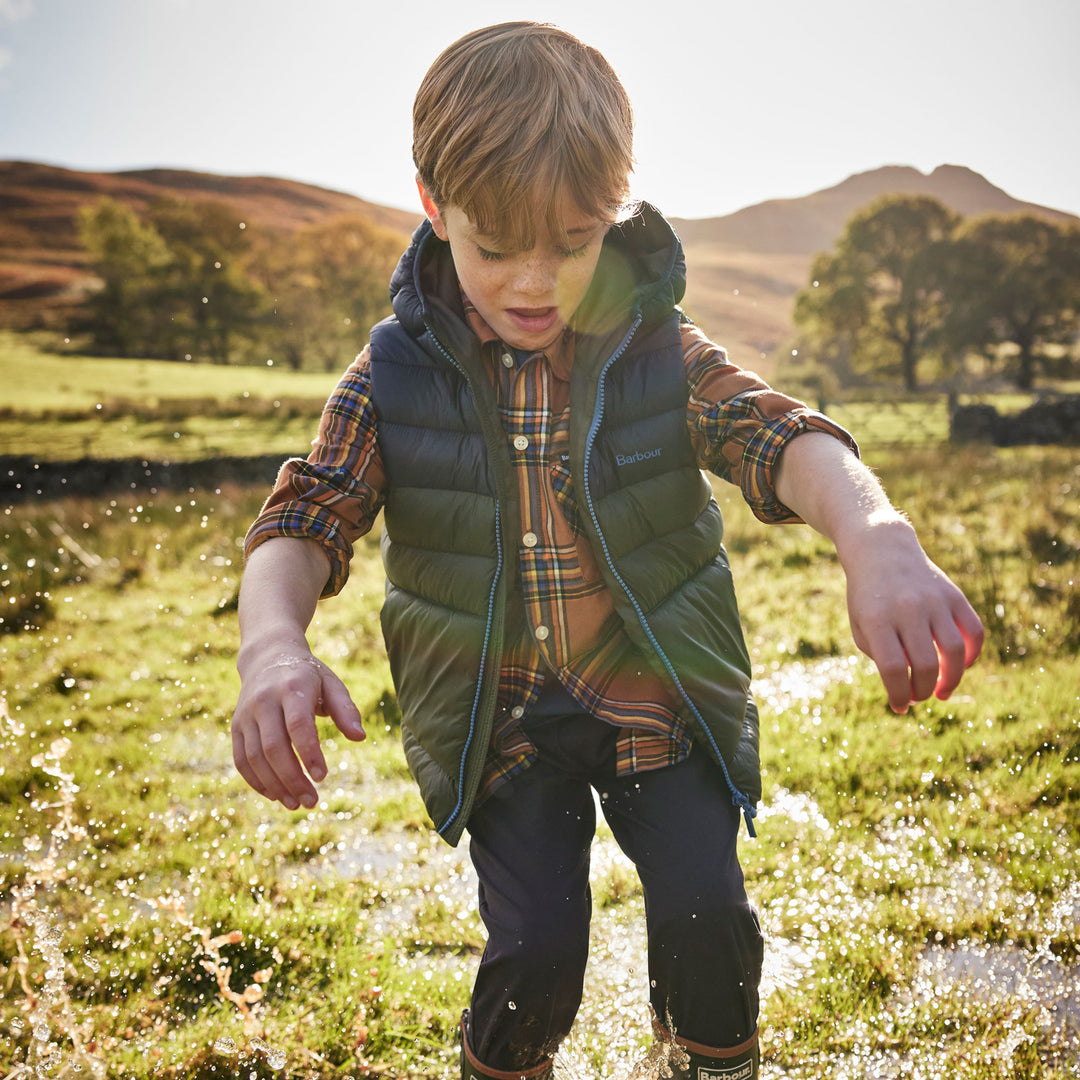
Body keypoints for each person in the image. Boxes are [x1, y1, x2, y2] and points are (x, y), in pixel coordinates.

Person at [230, 22, 983, 1080]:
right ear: (434, 208)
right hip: (502, 725)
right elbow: (307, 519)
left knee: (709, 924)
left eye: (574, 242)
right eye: (496, 247)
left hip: (658, 701)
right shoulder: (391, 375)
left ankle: (711, 1062)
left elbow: (777, 432)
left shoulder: (656, 349)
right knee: (537, 958)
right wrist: (272, 645)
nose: (536, 281)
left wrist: (877, 535)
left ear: (615, 217)